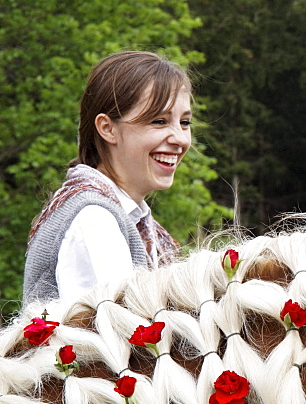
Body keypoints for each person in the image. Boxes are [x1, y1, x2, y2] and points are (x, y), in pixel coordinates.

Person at [23, 51, 188, 304]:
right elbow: (117, 336)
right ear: (107, 128)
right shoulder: (95, 220)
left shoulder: (133, 222)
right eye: (158, 121)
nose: (180, 138)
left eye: (185, 122)